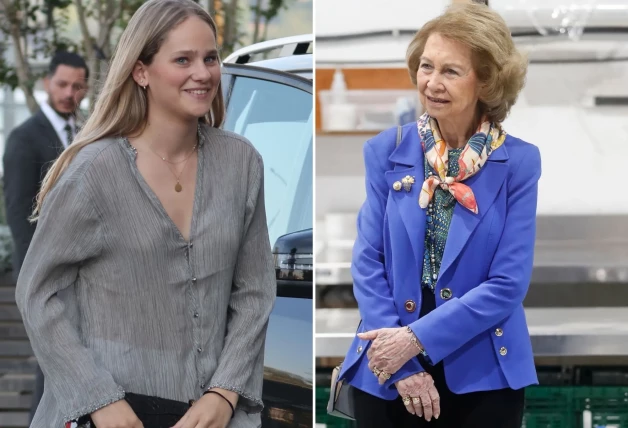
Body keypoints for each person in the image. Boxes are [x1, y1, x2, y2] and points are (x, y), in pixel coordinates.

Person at [14, 0, 276, 427]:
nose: (203, 73)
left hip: (214, 417)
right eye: (183, 59)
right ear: (141, 72)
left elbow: (255, 292)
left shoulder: (241, 163)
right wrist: (98, 400)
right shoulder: (92, 174)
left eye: (210, 58)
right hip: (109, 416)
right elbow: (36, 293)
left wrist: (225, 394)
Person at [336, 3, 541, 427]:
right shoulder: (386, 150)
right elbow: (367, 261)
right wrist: (401, 362)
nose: (432, 82)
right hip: (387, 369)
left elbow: (507, 284)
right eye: (426, 66)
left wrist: (416, 339)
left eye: (451, 71)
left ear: (486, 81)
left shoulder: (519, 163)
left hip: (483, 376)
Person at [2, 50, 89, 423]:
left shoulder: (85, 132)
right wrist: (38, 277)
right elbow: (20, 218)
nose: (70, 93)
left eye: (78, 86)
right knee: (51, 363)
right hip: (44, 274)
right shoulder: (25, 138)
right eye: (62, 84)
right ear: (46, 83)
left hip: (84, 272)